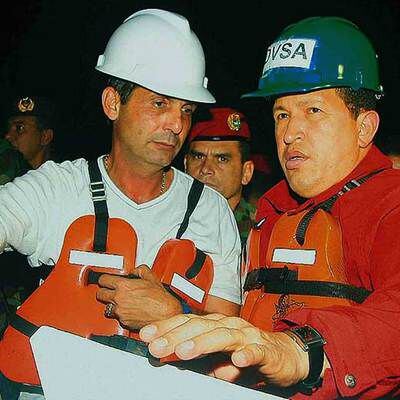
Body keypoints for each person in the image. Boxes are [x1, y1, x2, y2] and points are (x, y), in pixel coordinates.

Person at [140, 16, 400, 399]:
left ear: (364, 127)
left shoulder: (388, 205)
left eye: (313, 110)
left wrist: (298, 350)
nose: (290, 132)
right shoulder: (270, 211)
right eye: (282, 114)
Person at [0, 9, 241, 399]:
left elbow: (228, 346)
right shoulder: (60, 188)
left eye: (186, 109)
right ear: (113, 103)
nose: (177, 125)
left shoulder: (211, 211)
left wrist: (173, 317)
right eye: (160, 104)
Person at [184, 107, 255, 242]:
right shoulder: (166, 219)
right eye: (199, 157)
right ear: (185, 163)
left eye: (222, 159)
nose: (206, 169)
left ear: (246, 172)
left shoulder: (261, 231)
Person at [4, 95, 56, 169]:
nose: (8, 136)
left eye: (20, 128)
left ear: (45, 137)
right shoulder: (7, 175)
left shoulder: (63, 178)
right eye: (8, 129)